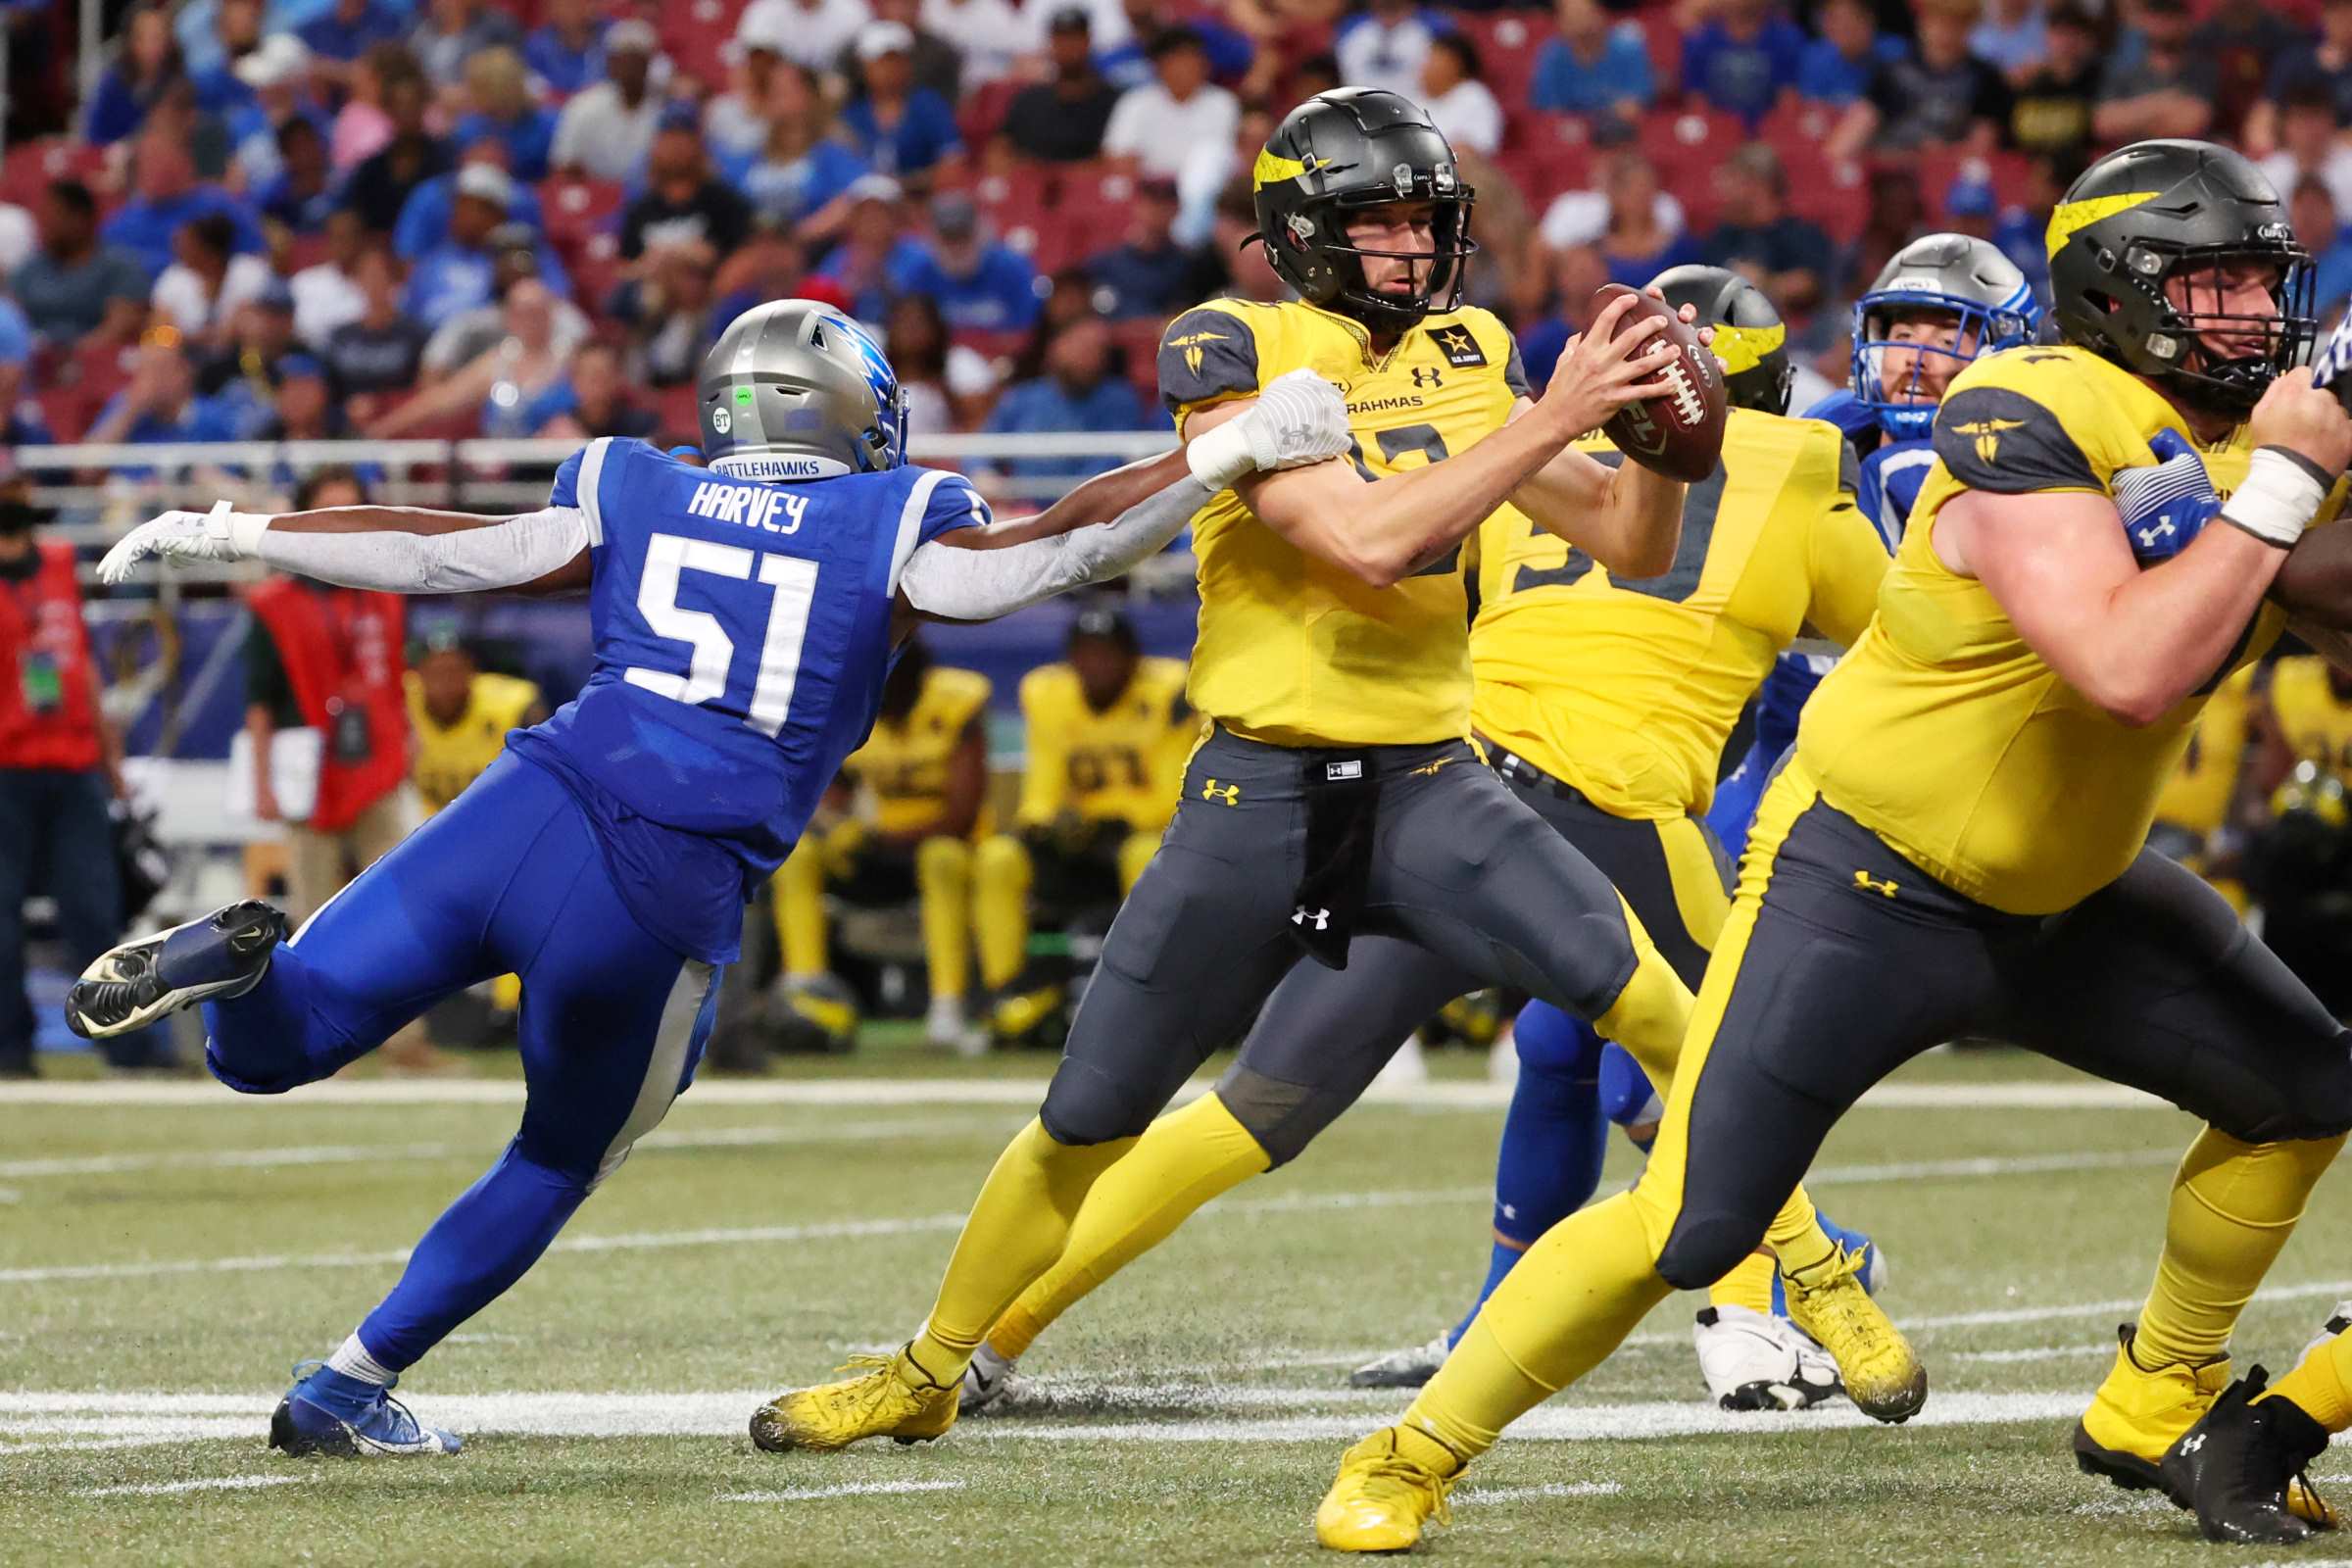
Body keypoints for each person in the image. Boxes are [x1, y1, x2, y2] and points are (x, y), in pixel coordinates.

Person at [747, 87, 1904, 1462]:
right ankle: (929, 1366)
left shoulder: (1474, 340)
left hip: (1430, 780)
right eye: (1382, 221)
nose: (1415, 248)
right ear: (1302, 232)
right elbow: (1359, 540)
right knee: (1090, 1115)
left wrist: (1655, 443)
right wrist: (1561, 414)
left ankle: (1812, 1272)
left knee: (1656, 1002)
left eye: (1428, 218)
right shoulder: (1234, 344)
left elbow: (1626, 541)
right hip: (1265, 789)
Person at [72, 297, 1355, 1457]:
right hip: (658, 888)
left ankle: (235, 966)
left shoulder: (637, 482)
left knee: (270, 1047)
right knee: (556, 1157)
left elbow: (449, 554)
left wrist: (234, 527)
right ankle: (346, 1388)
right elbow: (1043, 562)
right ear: (850, 411)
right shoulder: (890, 513)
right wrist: (1223, 455)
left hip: (526, 807)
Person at [1309, 137, 2352, 1553]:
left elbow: (2302, 577)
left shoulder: (2246, 446)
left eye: (2259, 282)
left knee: (2304, 1088)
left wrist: (2287, 489)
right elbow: (2128, 667)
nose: (2252, 315)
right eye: (2216, 283)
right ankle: (1409, 1454)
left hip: (2069, 891)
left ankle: (2154, 1394)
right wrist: (2284, 484)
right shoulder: (2028, 400)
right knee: (1694, 1217)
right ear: (2121, 289)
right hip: (1871, 881)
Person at [959, 268, 1895, 1415]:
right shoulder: (1804, 464)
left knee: (1264, 1108)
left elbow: (1490, 541)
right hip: (1614, 801)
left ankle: (991, 1338)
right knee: (1710, 1060)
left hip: (1451, 781)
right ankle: (1763, 1309)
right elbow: (1898, 637)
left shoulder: (1471, 421)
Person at [0, 462, 168, 1077]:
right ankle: (9, 1052)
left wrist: (111, 761)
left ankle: (129, 1048)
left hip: (73, 766)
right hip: (6, 767)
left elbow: (82, 670)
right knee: (1, 918)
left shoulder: (56, 565)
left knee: (96, 910)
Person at [773, 636, 992, 1051]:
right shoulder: (849, 704)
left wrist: (884, 837)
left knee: (940, 857)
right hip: (870, 855)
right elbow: (823, 792)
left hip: (932, 849)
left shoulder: (958, 700)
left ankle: (948, 1005)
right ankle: (806, 995)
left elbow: (961, 815)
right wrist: (834, 827)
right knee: (796, 854)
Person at [970, 604, 1190, 1013]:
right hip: (1079, 841)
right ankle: (1006, 997)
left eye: (1107, 653)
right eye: (1085, 653)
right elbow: (1042, 784)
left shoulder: (1170, 689)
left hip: (1143, 835)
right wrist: (1042, 824)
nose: (1096, 664)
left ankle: (1149, 996)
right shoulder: (1047, 692)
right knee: (998, 857)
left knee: (1144, 854)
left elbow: (1173, 792)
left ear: (1132, 657)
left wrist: (1116, 821)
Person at [406, 634, 544, 816]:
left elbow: (542, 773)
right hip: (419, 827)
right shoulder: (400, 702)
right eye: (435, 672)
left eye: (453, 671)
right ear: (419, 674)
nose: (444, 683)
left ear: (472, 672)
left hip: (492, 819)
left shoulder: (512, 704)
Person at [12, 179, 153, 352]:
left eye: (53, 216)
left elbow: (121, 327)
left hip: (99, 364)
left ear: (80, 219)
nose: (44, 225)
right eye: (42, 216)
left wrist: (71, 356)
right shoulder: (29, 270)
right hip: (36, 363)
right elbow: (12, 322)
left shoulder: (120, 267)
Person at [548, 20, 664, 184]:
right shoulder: (583, 106)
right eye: (623, 60)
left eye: (636, 60)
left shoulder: (665, 110)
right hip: (595, 195)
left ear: (648, 63)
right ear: (611, 63)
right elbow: (563, 165)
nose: (630, 68)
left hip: (649, 197)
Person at [1001, 8, 1120, 164]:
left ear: (1088, 41)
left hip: (1088, 185)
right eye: (1061, 39)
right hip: (1032, 184)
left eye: (1075, 38)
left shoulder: (1112, 101)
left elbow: (1115, 159)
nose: (1068, 47)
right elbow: (999, 149)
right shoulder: (1029, 99)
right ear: (1051, 44)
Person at [1530, 0, 1653, 122]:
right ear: (1560, 22)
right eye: (1573, 17)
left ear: (1600, 15)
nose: (1582, 23)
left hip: (1621, 133)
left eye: (1586, 15)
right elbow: (1550, 112)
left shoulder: (1629, 49)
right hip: (1571, 133)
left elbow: (1634, 106)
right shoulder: (1551, 57)